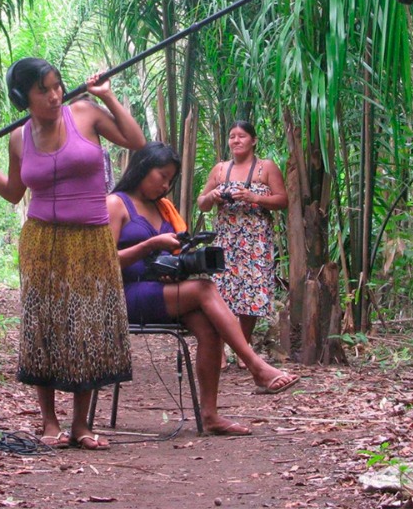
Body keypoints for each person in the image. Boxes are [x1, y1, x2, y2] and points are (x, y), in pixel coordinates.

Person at [0, 57, 146, 450]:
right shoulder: (19, 138)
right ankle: (49, 422)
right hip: (42, 241)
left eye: (57, 86)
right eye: (44, 90)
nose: (55, 95)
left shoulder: (86, 114)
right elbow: (12, 192)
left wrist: (107, 95)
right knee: (45, 325)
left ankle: (81, 424)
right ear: (23, 97)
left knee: (87, 328)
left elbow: (136, 142)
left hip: (91, 239)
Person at [110, 143, 302, 434]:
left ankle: (211, 416)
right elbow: (103, 261)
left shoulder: (162, 207)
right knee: (204, 288)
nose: (165, 185)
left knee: (209, 328)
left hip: (162, 291)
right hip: (127, 295)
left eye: (169, 180)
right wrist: (151, 245)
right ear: (141, 168)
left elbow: (165, 257)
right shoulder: (116, 203)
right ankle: (256, 366)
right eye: (161, 176)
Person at [197, 121, 288, 354]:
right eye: (232, 136)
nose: (236, 140)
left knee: (251, 294)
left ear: (254, 140)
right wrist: (213, 196)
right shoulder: (220, 169)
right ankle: (218, 353)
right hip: (227, 240)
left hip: (255, 243)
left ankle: (241, 349)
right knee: (222, 293)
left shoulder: (265, 168)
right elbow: (202, 203)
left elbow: (282, 200)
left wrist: (252, 197)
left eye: (242, 136)